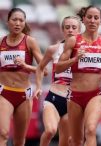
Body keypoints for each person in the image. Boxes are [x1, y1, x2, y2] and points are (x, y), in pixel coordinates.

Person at [55, 5, 101, 146]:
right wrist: (74, 60)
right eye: (89, 17)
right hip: (75, 96)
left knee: (90, 130)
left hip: (95, 94)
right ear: (83, 20)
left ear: (100, 21)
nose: (92, 20)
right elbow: (58, 68)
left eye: (96, 18)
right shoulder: (73, 41)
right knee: (76, 140)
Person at [34, 16, 81, 146]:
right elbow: (40, 68)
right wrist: (38, 86)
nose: (70, 30)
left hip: (73, 102)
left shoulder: (84, 51)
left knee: (66, 141)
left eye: (74, 27)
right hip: (54, 97)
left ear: (79, 30)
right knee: (50, 130)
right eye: (67, 27)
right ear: (62, 30)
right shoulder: (53, 49)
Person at [0, 8, 43, 146]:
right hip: (4, 93)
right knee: (3, 133)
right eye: (14, 20)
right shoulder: (1, 42)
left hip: (24, 95)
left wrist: (26, 66)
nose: (18, 23)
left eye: (21, 20)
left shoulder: (30, 42)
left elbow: (44, 69)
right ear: (8, 22)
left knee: (19, 140)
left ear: (24, 23)